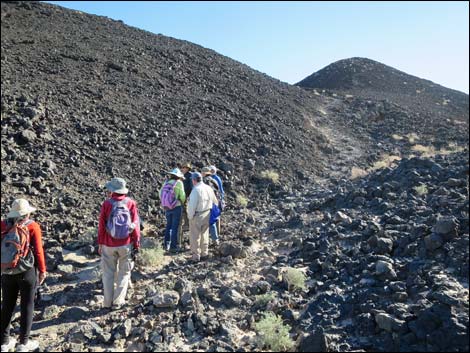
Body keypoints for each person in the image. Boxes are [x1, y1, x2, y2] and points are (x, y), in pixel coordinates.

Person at [1, 199, 46, 352]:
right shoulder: (33, 226)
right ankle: (23, 344)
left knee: (7, 305)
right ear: (27, 212)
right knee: (27, 305)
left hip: (7, 271)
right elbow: (39, 251)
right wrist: (42, 270)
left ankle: (4, 342)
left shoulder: (3, 225)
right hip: (26, 272)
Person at [98, 177, 140, 310]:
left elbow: (101, 226)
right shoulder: (131, 203)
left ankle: (107, 303)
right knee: (124, 273)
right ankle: (118, 302)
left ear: (112, 190)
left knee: (108, 273)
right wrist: (136, 243)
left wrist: (100, 243)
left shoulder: (107, 204)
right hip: (126, 244)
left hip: (108, 244)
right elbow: (135, 224)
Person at [187, 172, 219, 262]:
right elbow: (215, 202)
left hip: (197, 215)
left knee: (195, 236)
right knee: (205, 234)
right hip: (207, 213)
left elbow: (192, 205)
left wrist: (190, 216)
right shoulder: (208, 188)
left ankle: (196, 256)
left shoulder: (195, 190)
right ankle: (204, 253)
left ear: (194, 180)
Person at [159, 168, 186, 253]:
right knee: (175, 227)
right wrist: (181, 201)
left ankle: (166, 245)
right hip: (176, 207)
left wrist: (165, 202)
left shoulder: (166, 182)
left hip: (167, 207)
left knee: (168, 226)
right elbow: (182, 196)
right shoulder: (179, 183)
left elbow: (160, 194)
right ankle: (173, 246)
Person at [201, 167, 220, 245]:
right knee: (212, 222)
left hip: (206, 203)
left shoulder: (204, 181)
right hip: (214, 203)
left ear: (204, 173)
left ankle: (204, 241)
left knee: (203, 222)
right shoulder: (214, 181)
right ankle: (215, 239)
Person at [179, 163, 193, 248]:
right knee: (183, 209)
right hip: (184, 195)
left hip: (187, 196)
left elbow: (190, 187)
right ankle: (186, 222)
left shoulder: (190, 176)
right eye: (182, 167)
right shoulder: (183, 175)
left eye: (184, 167)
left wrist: (189, 197)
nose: (182, 168)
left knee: (186, 209)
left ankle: (187, 223)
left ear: (188, 168)